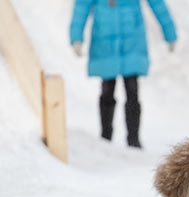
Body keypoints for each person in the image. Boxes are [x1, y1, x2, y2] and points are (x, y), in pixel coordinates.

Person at [70, 0, 177, 149]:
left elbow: (157, 3)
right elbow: (82, 6)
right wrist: (76, 36)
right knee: (107, 90)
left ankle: (133, 139)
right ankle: (105, 138)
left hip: (132, 40)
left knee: (132, 90)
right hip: (104, 40)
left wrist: (169, 32)